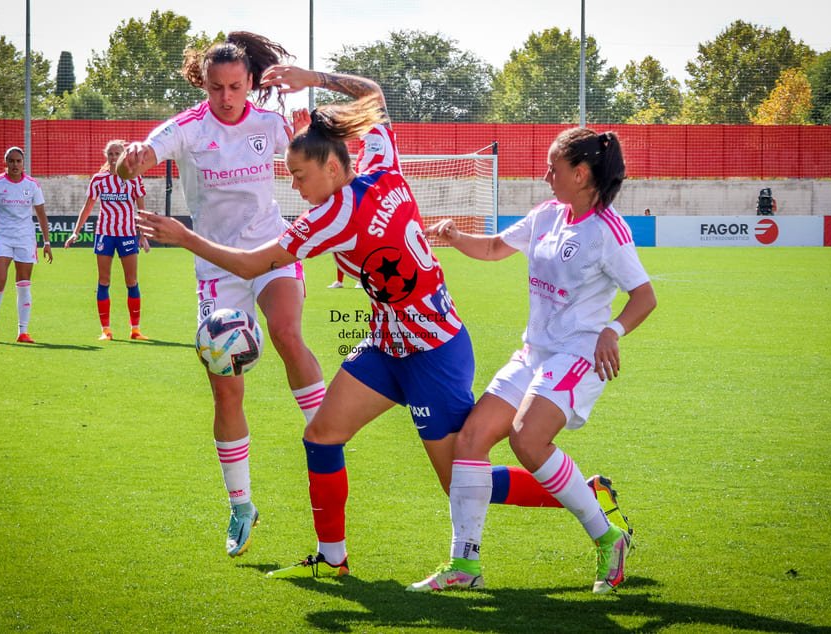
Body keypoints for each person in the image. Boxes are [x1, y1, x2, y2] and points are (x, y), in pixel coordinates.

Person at [138, 67, 631, 580]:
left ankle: (587, 499)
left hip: (433, 351)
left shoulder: (330, 216)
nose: (296, 187)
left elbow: (249, 265)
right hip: (388, 344)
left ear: (331, 166)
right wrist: (314, 77)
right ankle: (333, 559)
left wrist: (185, 235)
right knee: (321, 436)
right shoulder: (382, 161)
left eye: (300, 176)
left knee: (460, 478)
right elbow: (373, 93)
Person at [408, 128, 657, 595]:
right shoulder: (547, 214)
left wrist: (612, 330)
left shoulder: (609, 231)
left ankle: (609, 539)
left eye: (553, 169)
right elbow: (495, 247)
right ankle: (465, 564)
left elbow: (644, 297)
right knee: (472, 439)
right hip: (535, 351)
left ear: (581, 175)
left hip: (578, 353)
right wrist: (456, 236)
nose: (545, 177)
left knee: (527, 439)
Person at [115, 32, 325, 558]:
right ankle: (241, 505)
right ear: (203, 85)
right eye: (216, 88)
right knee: (225, 386)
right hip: (214, 265)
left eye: (235, 86)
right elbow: (131, 162)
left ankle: (324, 430)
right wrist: (133, 158)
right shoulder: (186, 128)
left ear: (251, 82)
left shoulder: (270, 123)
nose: (226, 97)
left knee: (284, 331)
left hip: (271, 250)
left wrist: (310, 136)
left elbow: (311, 156)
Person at [64, 140, 150, 341]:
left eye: (117, 153)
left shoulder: (134, 178)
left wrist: (143, 235)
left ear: (124, 155)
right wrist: (76, 232)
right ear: (106, 156)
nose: (113, 157)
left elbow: (142, 209)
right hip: (105, 234)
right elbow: (87, 207)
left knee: (132, 281)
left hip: (127, 234)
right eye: (110, 154)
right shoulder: (98, 180)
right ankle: (106, 330)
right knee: (104, 281)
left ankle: (135, 329)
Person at [0, 146, 53, 344]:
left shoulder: (33, 185)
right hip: (2, 237)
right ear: (6, 163)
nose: (15, 165)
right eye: (11, 161)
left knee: (23, 283)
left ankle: (23, 332)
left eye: (18, 161)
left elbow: (41, 215)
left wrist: (46, 242)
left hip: (25, 239)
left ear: (23, 163)